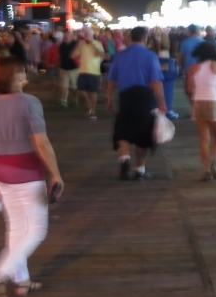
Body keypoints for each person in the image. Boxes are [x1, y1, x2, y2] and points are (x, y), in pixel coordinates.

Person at [0, 57, 64, 297]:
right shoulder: (29, 102)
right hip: (26, 169)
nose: (24, 73)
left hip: (1, 169)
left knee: (15, 227)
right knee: (37, 229)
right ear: (12, 78)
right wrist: (55, 173)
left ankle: (22, 281)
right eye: (20, 71)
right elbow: (41, 142)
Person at [107, 26, 167, 181]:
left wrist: (109, 97)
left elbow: (111, 79)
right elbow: (155, 81)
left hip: (126, 97)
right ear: (145, 38)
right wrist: (162, 102)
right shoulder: (150, 55)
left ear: (131, 37)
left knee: (123, 129)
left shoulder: (120, 55)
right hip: (145, 98)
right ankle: (140, 170)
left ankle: (125, 159)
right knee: (143, 134)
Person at [187, 41, 216, 181]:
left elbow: (189, 89)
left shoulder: (193, 68)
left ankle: (206, 170)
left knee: (204, 138)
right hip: (214, 102)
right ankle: (214, 164)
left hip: (199, 103)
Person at [73, 27, 106, 119]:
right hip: (83, 70)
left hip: (94, 71)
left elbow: (103, 55)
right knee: (80, 91)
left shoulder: (97, 43)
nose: (86, 36)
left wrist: (93, 45)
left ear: (92, 35)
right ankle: (88, 103)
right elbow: (73, 55)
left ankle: (93, 111)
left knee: (93, 92)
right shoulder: (81, 44)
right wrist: (78, 46)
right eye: (85, 34)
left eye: (88, 34)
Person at [178, 24, 204, 110]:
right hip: (202, 68)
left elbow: (182, 56)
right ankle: (200, 107)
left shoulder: (185, 42)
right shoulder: (202, 41)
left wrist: (181, 67)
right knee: (200, 88)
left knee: (190, 90)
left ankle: (194, 108)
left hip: (189, 68)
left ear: (189, 31)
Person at [58, 29, 79, 107]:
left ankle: (75, 99)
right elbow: (60, 56)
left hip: (74, 68)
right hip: (64, 68)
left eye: (68, 36)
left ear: (71, 36)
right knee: (64, 86)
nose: (66, 37)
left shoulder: (75, 45)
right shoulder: (62, 45)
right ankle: (64, 100)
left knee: (74, 87)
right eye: (65, 36)